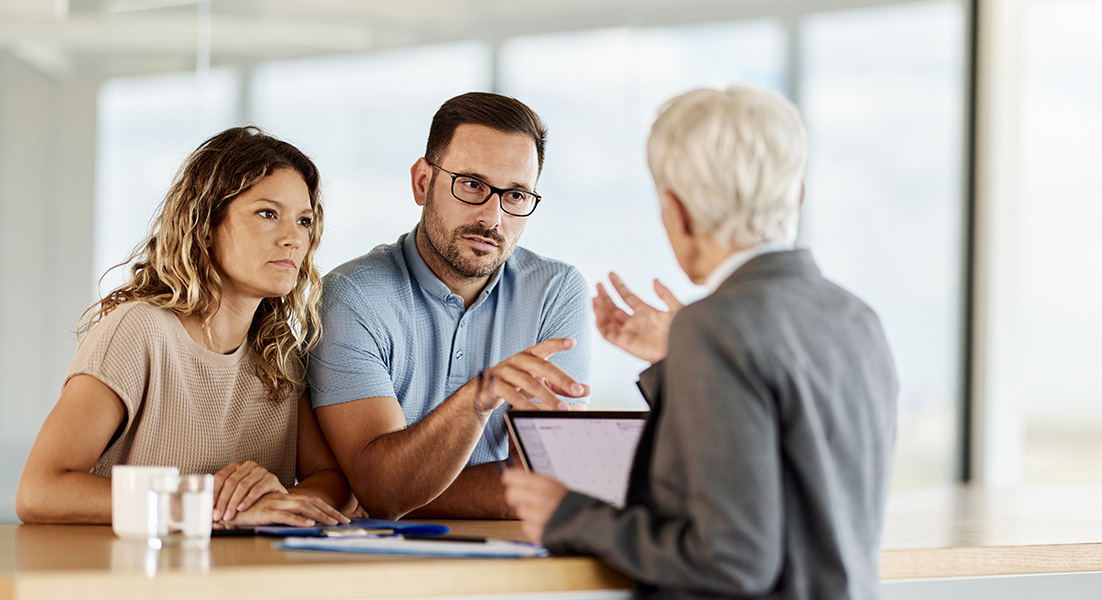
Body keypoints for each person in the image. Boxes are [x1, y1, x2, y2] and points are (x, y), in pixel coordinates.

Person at [502, 86, 899, 600]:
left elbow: (730, 561)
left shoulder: (713, 327)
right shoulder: (856, 318)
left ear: (677, 211)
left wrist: (571, 516)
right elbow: (793, 479)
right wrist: (679, 362)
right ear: (795, 193)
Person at [16, 126, 353, 528]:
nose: (293, 239)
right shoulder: (138, 332)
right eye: (268, 213)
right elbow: (40, 491)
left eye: (303, 221)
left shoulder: (279, 354)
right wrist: (208, 505)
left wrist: (280, 502)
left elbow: (334, 483)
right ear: (205, 224)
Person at [307, 92, 591, 520]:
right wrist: (478, 398)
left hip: (512, 567)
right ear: (423, 182)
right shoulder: (351, 296)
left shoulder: (555, 291)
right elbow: (384, 490)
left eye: (515, 196)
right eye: (472, 185)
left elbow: (547, 481)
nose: (492, 219)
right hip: (382, 568)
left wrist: (401, 487)